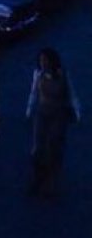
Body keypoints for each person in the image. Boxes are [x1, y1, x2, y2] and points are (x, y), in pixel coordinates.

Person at [26, 47, 81, 197]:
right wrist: (29, 110)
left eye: (46, 60)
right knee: (37, 148)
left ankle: (51, 183)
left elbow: (71, 93)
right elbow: (34, 92)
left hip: (58, 114)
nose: (43, 63)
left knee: (54, 147)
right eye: (41, 60)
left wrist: (76, 111)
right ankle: (38, 179)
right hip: (43, 113)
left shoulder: (62, 74)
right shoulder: (38, 74)